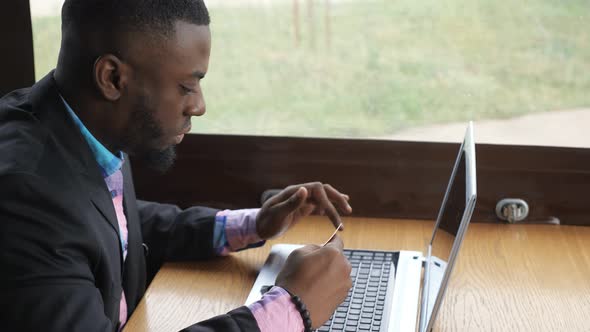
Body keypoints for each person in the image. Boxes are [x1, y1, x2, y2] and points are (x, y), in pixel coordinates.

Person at [0, 0, 353, 331]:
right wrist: (292, 308)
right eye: (187, 86)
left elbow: (116, 224)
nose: (199, 105)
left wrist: (253, 224)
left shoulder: (80, 128)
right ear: (111, 78)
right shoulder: (26, 198)